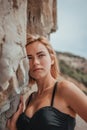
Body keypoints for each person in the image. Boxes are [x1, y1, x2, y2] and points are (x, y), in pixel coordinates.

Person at [7, 35, 87, 130]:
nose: (35, 62)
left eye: (41, 55)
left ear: (52, 59)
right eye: (29, 58)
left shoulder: (65, 89)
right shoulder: (30, 98)